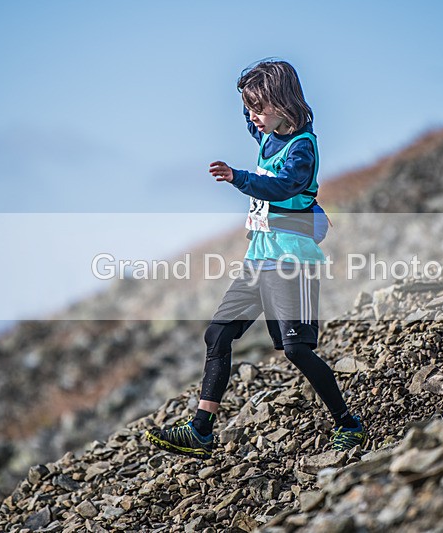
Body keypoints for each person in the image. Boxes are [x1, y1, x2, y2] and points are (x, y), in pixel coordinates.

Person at [146, 59, 367, 457]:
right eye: (249, 109)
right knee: (217, 333)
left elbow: (284, 187)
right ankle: (201, 429)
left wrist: (238, 177)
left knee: (297, 350)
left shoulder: (303, 147)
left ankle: (349, 425)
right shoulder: (267, 133)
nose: (253, 118)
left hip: (292, 261)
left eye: (258, 109)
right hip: (258, 259)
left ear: (283, 103)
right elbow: (253, 115)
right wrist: (247, 91)